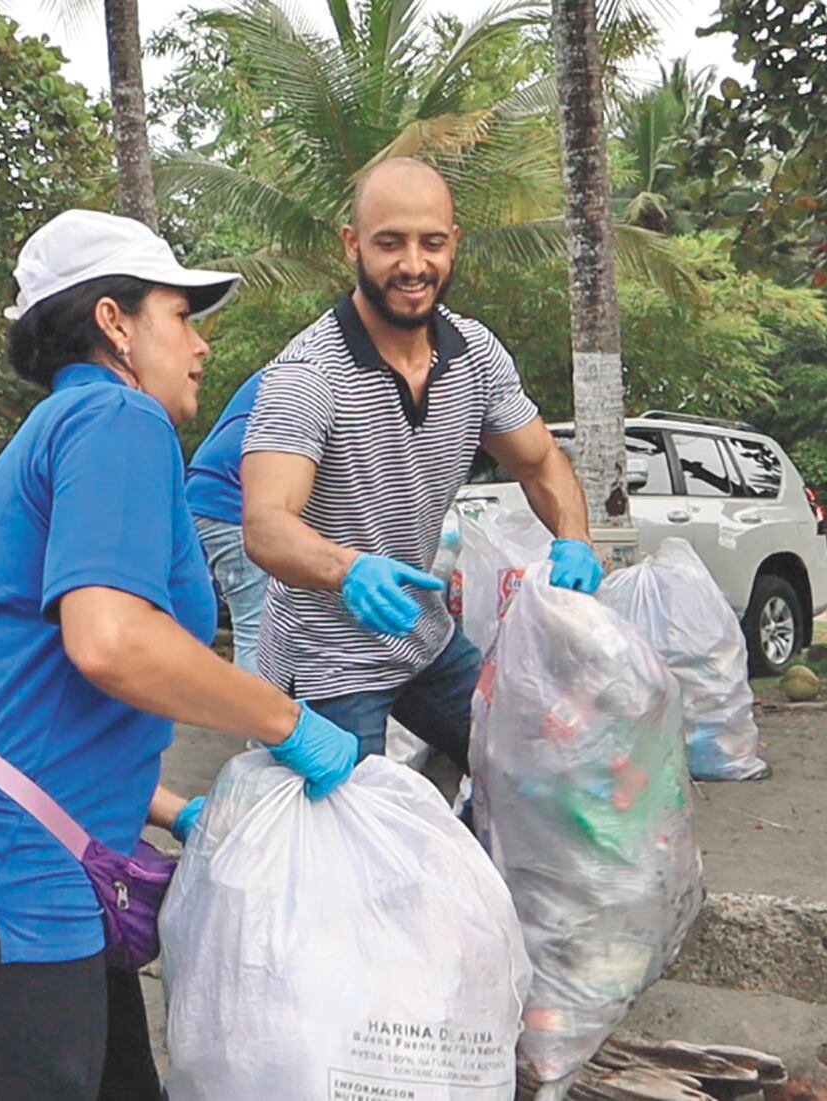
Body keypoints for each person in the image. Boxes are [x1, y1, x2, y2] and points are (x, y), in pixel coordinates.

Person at [0, 210, 359, 1101]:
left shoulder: (68, 427)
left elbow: (19, 686)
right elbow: (111, 642)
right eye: (182, 315)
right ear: (116, 322)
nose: (200, 345)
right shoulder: (118, 419)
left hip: (24, 860)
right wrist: (288, 722)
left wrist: (167, 807)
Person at [241, 157, 603, 767]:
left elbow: (541, 465)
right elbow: (265, 523)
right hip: (327, 659)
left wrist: (576, 540)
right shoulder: (307, 374)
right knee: (354, 834)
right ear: (352, 245)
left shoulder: (476, 355)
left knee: (526, 769)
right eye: (390, 244)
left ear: (453, 244)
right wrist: (346, 570)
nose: (413, 265)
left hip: (419, 634)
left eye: (431, 243)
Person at [186, 368, 268, 672]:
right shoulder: (325, 367)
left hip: (210, 493)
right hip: (232, 500)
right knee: (258, 629)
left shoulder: (295, 363)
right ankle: (259, 718)